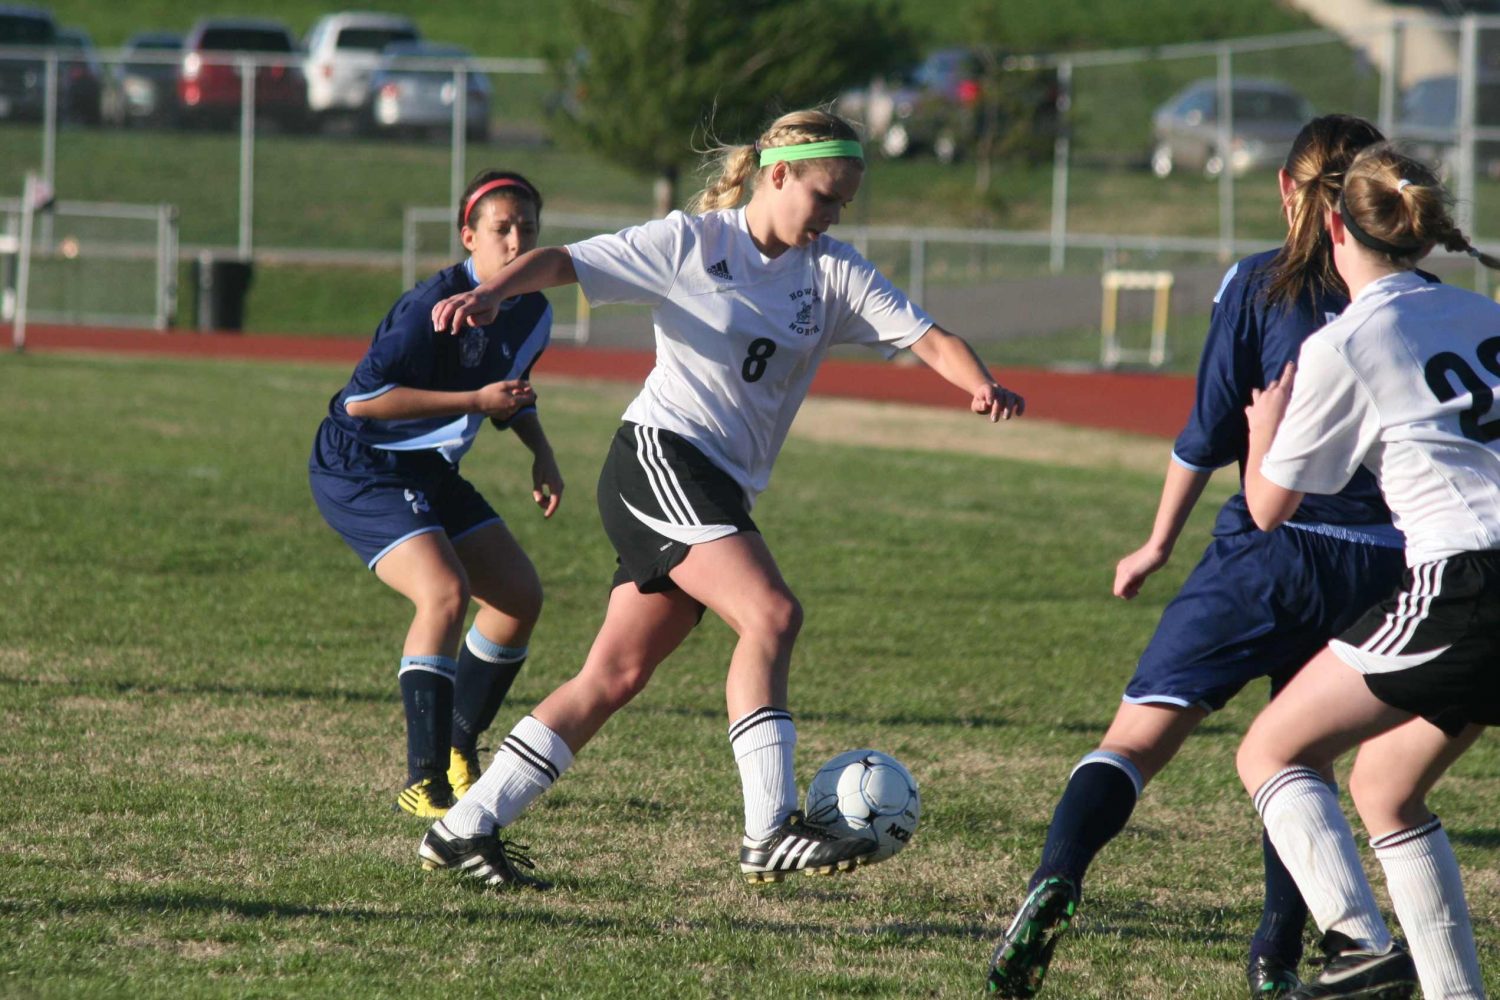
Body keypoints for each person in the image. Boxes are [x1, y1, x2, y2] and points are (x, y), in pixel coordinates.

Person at [415, 108, 1025, 890]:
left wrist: (980, 384)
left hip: (715, 485)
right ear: (778, 176)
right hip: (660, 457)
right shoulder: (693, 244)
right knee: (771, 614)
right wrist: (495, 291)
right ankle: (768, 831)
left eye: (844, 204)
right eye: (826, 197)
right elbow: (565, 260)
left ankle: (463, 828)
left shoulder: (832, 272)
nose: (835, 216)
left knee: (615, 674)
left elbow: (927, 337)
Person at [986, 116, 1407, 1000]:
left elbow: (1206, 435)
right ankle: (1275, 959)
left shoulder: (1258, 285)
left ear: (1288, 191)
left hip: (1268, 549)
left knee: (1133, 743)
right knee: (1299, 762)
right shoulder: (1415, 296)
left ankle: (1055, 879)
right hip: (1377, 565)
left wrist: (1156, 542)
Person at [1237, 143, 1497, 1000]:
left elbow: (1270, 506)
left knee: (1272, 749)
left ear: (1334, 222)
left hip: (1468, 581)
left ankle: (1355, 946)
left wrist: (1261, 425)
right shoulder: (1480, 311)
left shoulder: (1347, 339)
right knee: (1386, 788)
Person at [308, 170, 562, 818]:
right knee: (444, 593)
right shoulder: (429, 307)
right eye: (500, 229)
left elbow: (505, 391)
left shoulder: (534, 309)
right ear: (467, 236)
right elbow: (363, 402)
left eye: (526, 229)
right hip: (360, 463)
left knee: (516, 599)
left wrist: (540, 450)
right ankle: (423, 782)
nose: (514, 241)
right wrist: (474, 401)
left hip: (426, 470)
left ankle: (456, 742)